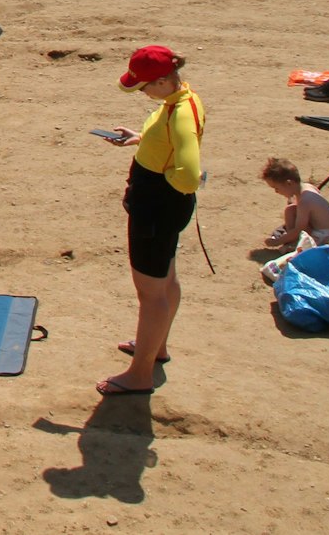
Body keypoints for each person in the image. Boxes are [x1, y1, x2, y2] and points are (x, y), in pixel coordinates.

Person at [95, 46, 203, 396]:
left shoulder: (180, 114)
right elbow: (169, 142)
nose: (141, 92)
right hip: (163, 207)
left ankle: (140, 375)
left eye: (144, 87)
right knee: (166, 279)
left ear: (161, 80)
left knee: (150, 293)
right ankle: (156, 348)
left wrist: (160, 188)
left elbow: (188, 174)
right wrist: (140, 140)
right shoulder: (183, 101)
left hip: (156, 208)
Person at [260, 159, 329, 249]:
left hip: (327, 235)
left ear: (289, 183)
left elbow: (299, 230)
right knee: (290, 210)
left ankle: (295, 242)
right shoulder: (307, 187)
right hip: (317, 229)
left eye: (276, 188)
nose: (276, 192)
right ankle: (293, 240)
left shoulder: (305, 201)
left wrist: (277, 242)